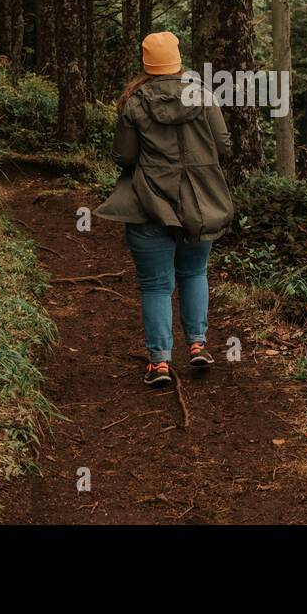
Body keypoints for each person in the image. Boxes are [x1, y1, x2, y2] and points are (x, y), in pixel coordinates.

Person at [95, 32, 235, 385]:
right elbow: (223, 145)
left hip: (148, 205)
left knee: (156, 285)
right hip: (200, 203)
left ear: (146, 63)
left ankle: (159, 363)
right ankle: (198, 346)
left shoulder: (134, 102)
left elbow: (124, 157)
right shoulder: (202, 95)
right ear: (178, 59)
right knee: (194, 273)